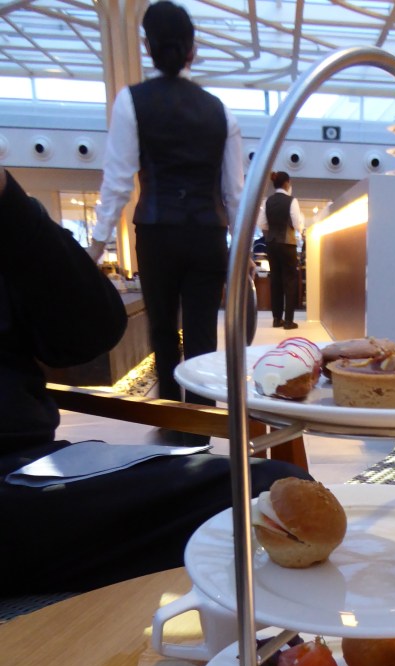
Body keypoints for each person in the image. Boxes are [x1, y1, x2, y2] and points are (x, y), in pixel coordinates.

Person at [0, 167, 311, 598]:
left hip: (27, 470)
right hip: (22, 495)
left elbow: (91, 333)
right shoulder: (275, 197)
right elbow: (241, 196)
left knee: (279, 496)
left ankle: (189, 434)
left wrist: (11, 205)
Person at [87, 1, 245, 422]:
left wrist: (96, 247)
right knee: (202, 338)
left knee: (162, 333)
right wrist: (242, 251)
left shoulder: (131, 102)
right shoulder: (220, 110)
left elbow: (118, 183)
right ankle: (202, 426)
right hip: (208, 235)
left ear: (147, 47)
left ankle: (171, 423)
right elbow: (234, 193)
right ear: (193, 50)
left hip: (157, 234)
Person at [258, 171, 305, 330]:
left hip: (271, 243)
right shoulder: (292, 201)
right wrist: (300, 228)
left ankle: (277, 319)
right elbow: (297, 223)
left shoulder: (268, 201)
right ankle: (289, 321)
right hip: (287, 243)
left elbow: (262, 223)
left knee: (276, 281)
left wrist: (272, 231)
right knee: (290, 281)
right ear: (287, 183)